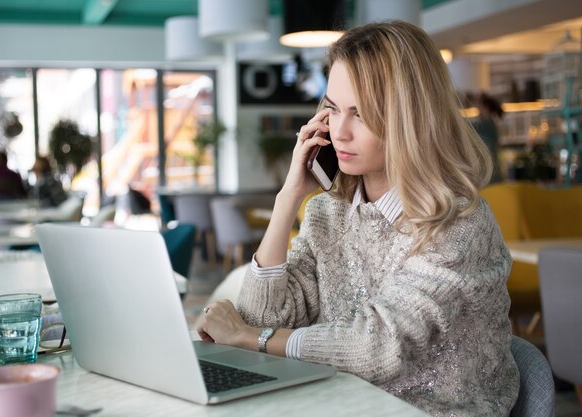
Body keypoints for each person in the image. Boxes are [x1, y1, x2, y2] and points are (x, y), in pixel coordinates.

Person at [196, 21, 519, 417]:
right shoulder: (327, 211)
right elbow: (261, 316)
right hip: (344, 402)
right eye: (332, 108)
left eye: (361, 114)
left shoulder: (458, 225)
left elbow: (379, 348)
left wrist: (251, 339)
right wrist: (287, 198)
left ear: (411, 118)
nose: (340, 132)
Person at [472, 93, 504, 183]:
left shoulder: (486, 123)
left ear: (485, 108)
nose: (478, 110)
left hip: (489, 169)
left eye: (479, 107)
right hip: (493, 167)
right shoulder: (492, 122)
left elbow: (466, 126)